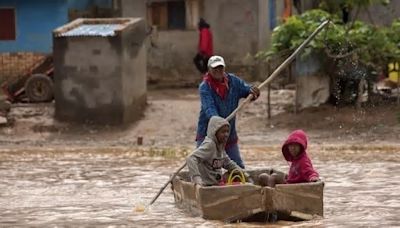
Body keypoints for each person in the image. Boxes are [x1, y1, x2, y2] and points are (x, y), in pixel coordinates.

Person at [196, 55, 260, 168]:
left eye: (220, 68)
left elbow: (247, 90)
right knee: (202, 166)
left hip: (228, 134)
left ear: (224, 68)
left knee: (238, 167)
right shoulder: (205, 87)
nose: (218, 71)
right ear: (209, 70)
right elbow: (209, 109)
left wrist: (253, 91)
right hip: (208, 135)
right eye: (215, 68)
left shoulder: (233, 81)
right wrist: (218, 123)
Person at [187, 116, 251, 186]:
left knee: (234, 175)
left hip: (217, 183)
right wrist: (197, 179)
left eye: (227, 132)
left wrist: (244, 174)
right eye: (223, 132)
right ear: (215, 132)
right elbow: (191, 158)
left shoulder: (220, 145)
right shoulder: (210, 145)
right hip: (206, 185)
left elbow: (228, 163)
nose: (226, 134)